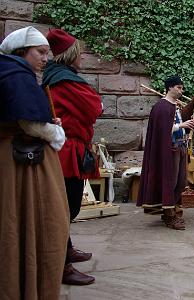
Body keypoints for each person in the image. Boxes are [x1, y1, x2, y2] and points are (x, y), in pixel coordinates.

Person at [0, 26, 69, 299]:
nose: (45, 58)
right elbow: (29, 122)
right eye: (40, 52)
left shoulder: (11, 72)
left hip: (16, 156)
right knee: (42, 222)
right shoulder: (16, 74)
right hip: (22, 164)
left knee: (19, 223)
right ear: (21, 52)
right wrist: (55, 133)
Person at [43, 28, 102, 285]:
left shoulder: (59, 77)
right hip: (67, 150)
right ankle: (60, 265)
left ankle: (65, 249)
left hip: (71, 146)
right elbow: (94, 107)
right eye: (80, 53)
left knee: (67, 206)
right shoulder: (65, 81)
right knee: (65, 208)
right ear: (70, 55)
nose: (83, 58)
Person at [137, 75, 194, 230]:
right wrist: (182, 125)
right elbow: (163, 130)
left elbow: (177, 125)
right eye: (178, 87)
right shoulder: (161, 107)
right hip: (169, 150)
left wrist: (190, 123)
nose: (181, 90)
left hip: (180, 147)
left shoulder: (175, 106)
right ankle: (169, 215)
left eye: (182, 87)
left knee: (180, 182)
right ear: (170, 87)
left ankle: (171, 210)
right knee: (169, 182)